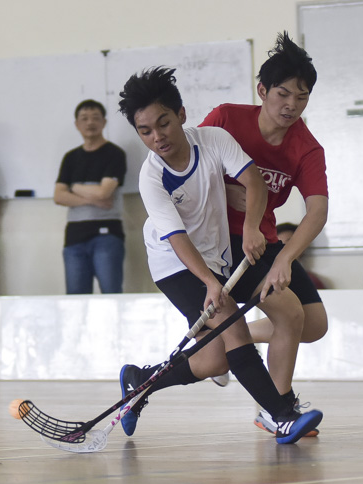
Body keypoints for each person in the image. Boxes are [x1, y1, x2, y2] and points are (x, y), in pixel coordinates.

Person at [116, 66, 322, 444]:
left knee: (214, 359)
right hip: (174, 263)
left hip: (219, 252)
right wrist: (211, 283)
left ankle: (141, 381)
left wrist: (251, 228)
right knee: (233, 326)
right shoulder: (151, 178)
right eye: (145, 131)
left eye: (163, 123)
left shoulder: (213, 139)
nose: (157, 136)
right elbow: (177, 239)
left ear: (181, 115)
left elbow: (253, 182)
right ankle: (280, 416)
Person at [199, 32, 328, 434]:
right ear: (262, 90)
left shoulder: (306, 147)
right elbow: (190, 168)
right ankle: (276, 407)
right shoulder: (226, 119)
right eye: (283, 94)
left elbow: (318, 209)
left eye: (302, 98)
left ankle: (228, 343)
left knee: (315, 324)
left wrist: (286, 258)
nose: (291, 106)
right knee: (290, 315)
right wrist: (226, 192)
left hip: (264, 243)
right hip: (221, 243)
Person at [53, 99, 127, 294]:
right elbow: (59, 196)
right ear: (77, 124)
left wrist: (75, 187)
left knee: (111, 295)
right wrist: (91, 197)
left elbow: (105, 192)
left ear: (104, 122)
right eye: (84, 119)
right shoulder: (71, 158)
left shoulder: (115, 154)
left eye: (95, 118)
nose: (90, 123)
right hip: (74, 237)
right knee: (76, 300)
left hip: (107, 235)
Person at [276, 222, 325, 289]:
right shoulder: (265, 280)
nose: (283, 249)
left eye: (289, 243)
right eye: (279, 245)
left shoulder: (312, 281)